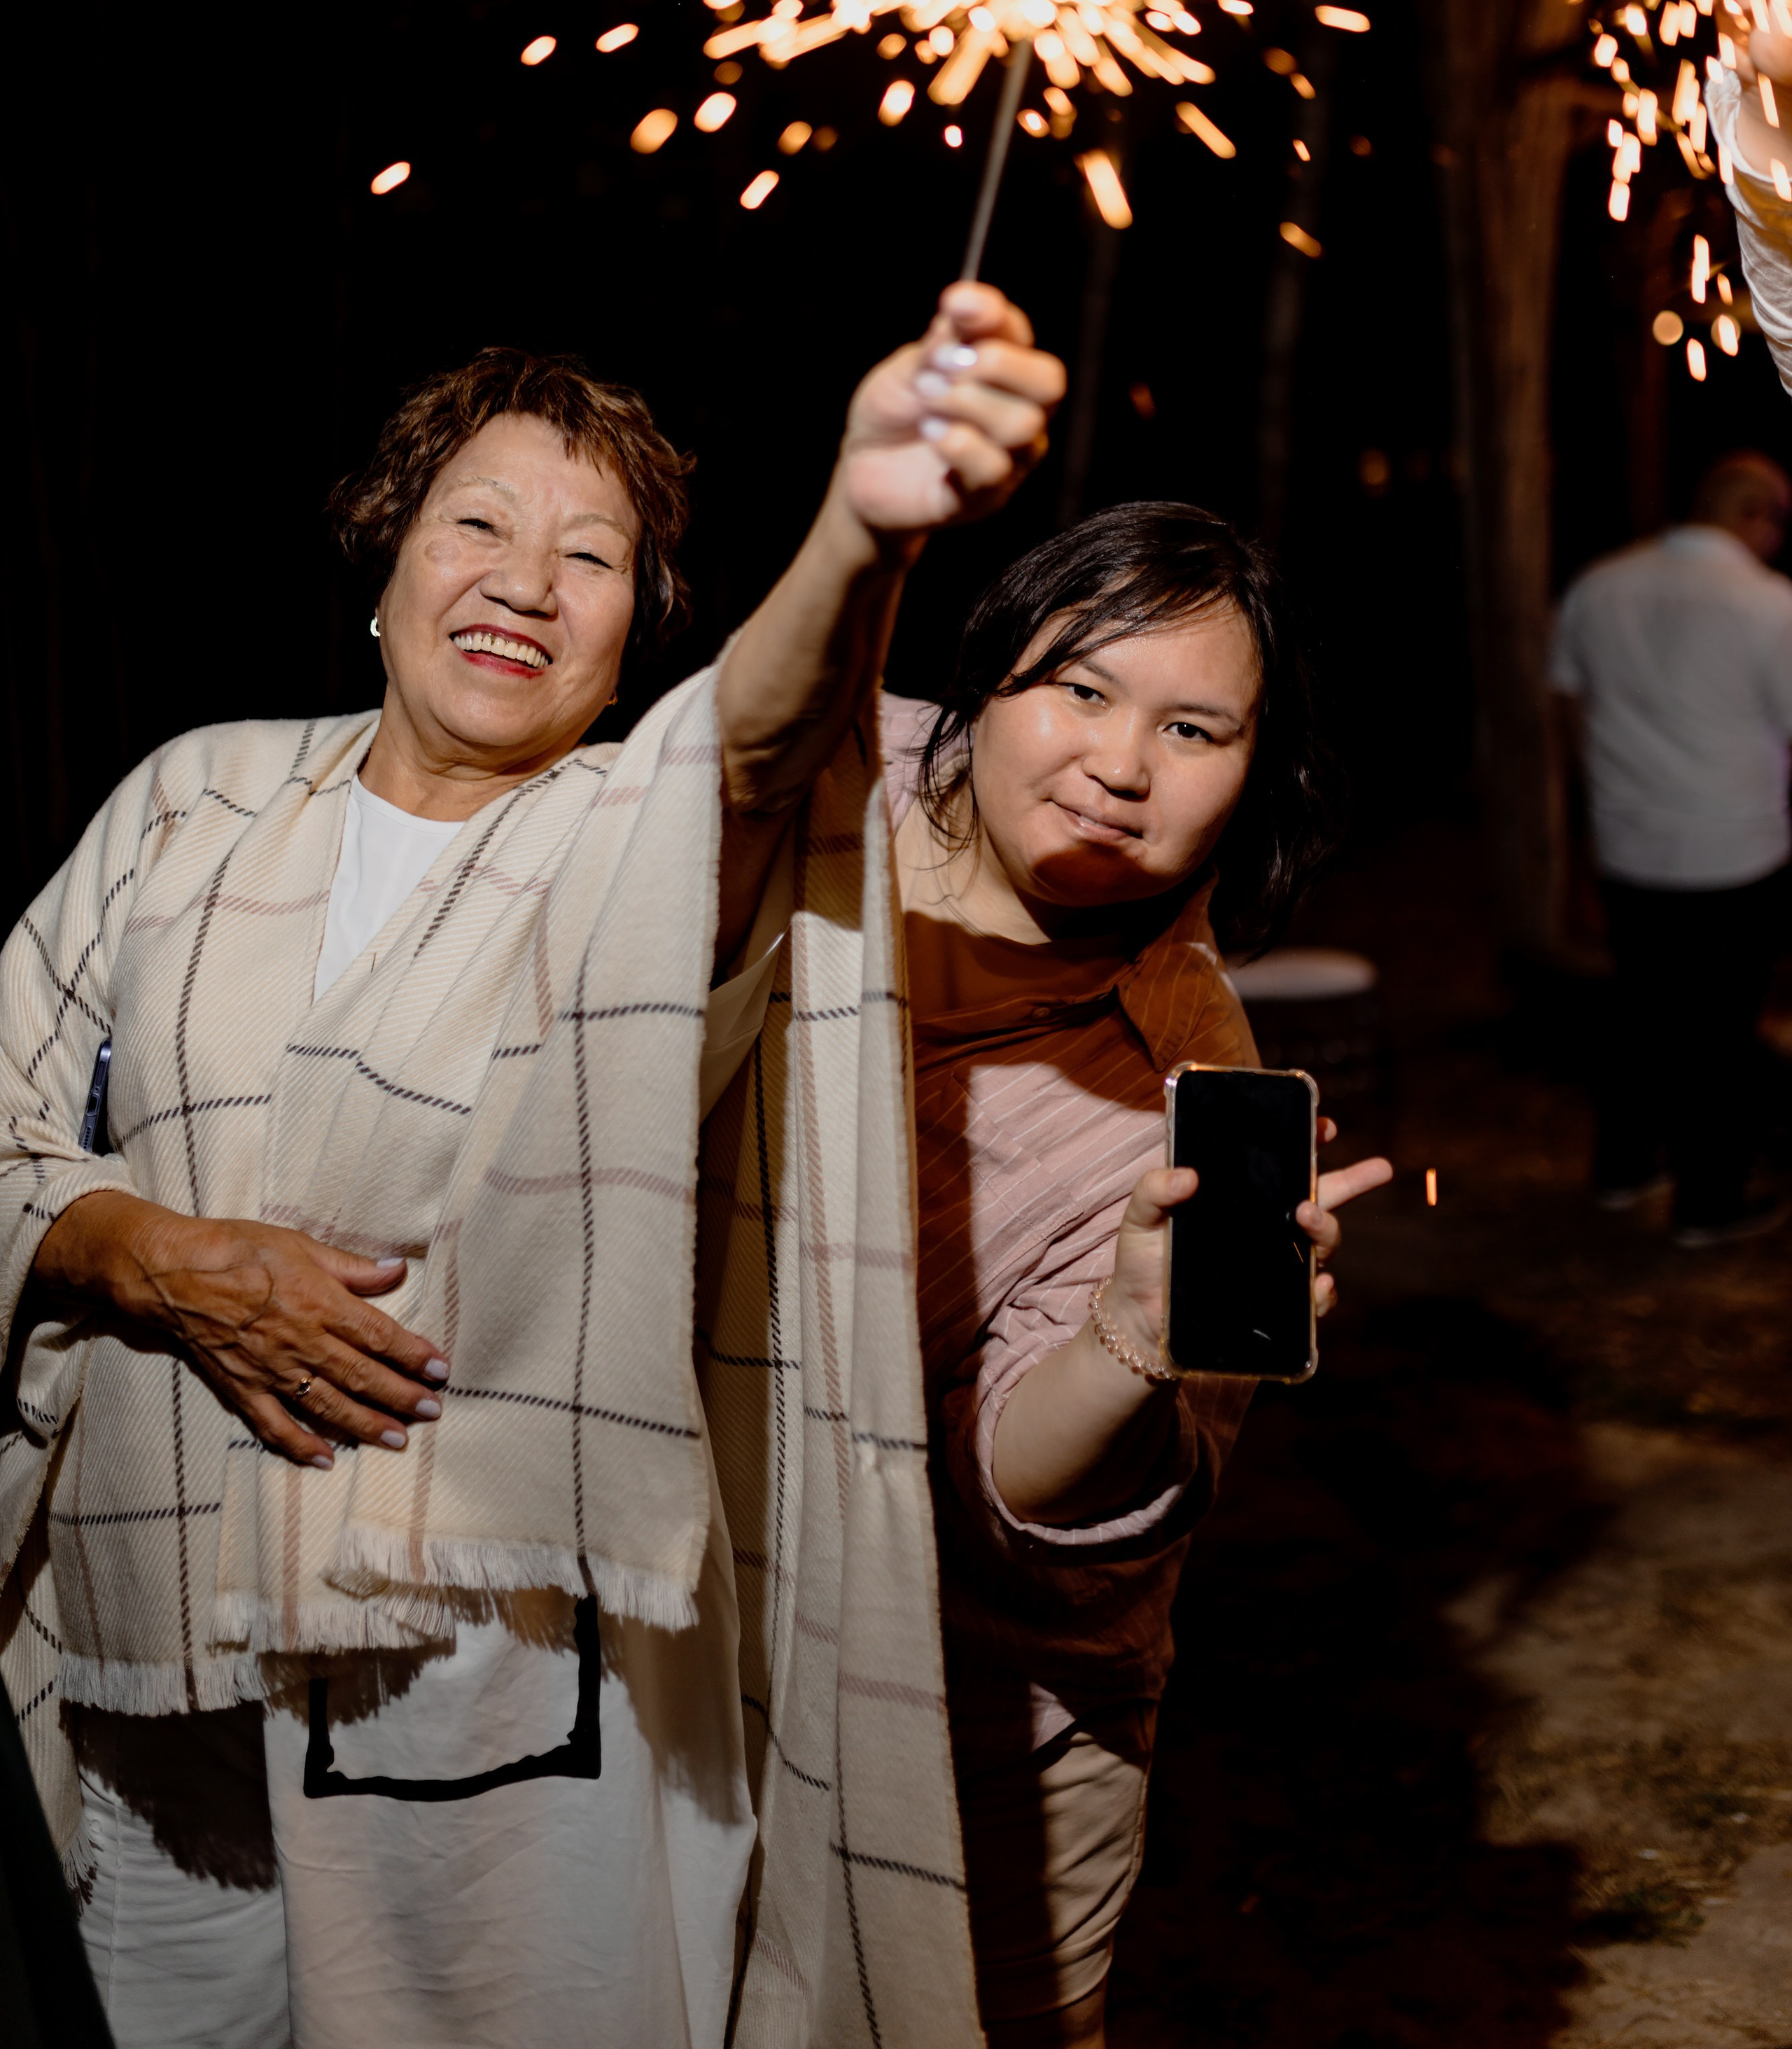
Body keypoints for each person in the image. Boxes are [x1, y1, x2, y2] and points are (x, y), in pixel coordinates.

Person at [0, 284, 1063, 2049]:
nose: (525, 582)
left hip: (472, 1688)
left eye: (591, 556)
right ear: (385, 560)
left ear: (633, 635)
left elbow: (752, 749)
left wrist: (861, 534)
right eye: (477, 525)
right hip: (154, 1674)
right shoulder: (195, 802)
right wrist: (139, 1249)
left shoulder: (625, 844)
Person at [867, 503, 1392, 2047]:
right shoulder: (815, 792)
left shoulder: (1191, 1083)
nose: (1119, 762)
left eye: (1191, 728)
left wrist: (1124, 1340)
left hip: (982, 1709)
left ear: (1252, 774)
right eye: (1081, 689)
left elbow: (1028, 1503)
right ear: (985, 679)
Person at [1549, 424, 1792, 1245]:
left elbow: (1568, 712)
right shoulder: (1769, 604)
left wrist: (1587, 827)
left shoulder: (1599, 584)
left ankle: (1623, 1167)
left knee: (1640, 1010)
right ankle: (1708, 1200)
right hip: (1734, 852)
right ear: (1756, 515)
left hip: (1629, 844)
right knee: (1723, 1029)